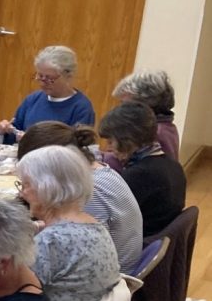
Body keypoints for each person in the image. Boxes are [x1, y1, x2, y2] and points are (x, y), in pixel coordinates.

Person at [17, 145, 121, 301]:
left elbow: (13, 295)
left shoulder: (52, 242)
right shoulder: (94, 226)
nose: (22, 193)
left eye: (26, 185)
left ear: (46, 187)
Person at [17, 122, 142, 274]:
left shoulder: (87, 191)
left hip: (110, 277)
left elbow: (73, 244)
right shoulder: (101, 171)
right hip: (109, 272)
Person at [99, 102, 187, 238]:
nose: (109, 148)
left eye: (111, 142)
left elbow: (107, 220)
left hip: (139, 247)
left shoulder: (139, 175)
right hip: (155, 244)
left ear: (128, 140)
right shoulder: (173, 165)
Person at [0, 45, 94, 143]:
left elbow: (78, 148)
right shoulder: (32, 100)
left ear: (68, 75)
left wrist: (34, 142)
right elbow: (12, 136)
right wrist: (4, 131)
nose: (43, 83)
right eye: (40, 76)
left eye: (50, 78)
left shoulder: (81, 108)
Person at [111, 69, 179, 168]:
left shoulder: (154, 133)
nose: (121, 109)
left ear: (145, 104)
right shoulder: (166, 127)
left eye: (125, 104)